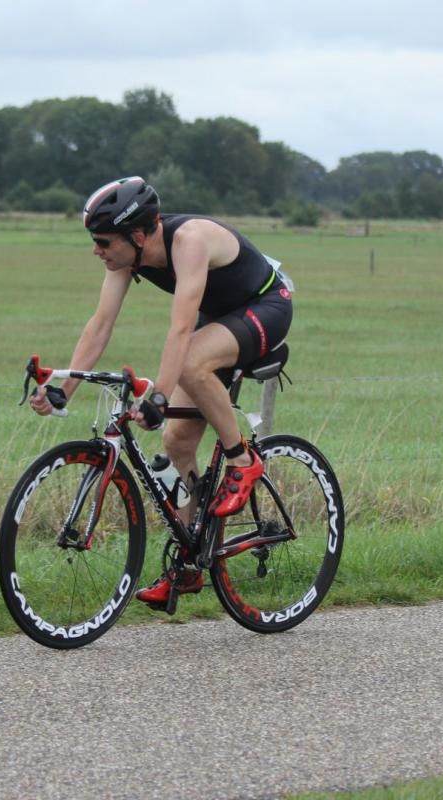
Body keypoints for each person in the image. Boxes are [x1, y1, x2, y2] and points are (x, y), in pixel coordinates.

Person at [28, 176, 293, 604]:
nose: (96, 250)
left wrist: (158, 397)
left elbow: (181, 327)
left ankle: (242, 461)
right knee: (176, 441)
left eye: (102, 241)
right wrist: (65, 391)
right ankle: (189, 564)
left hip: (265, 306)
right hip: (222, 319)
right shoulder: (125, 258)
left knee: (191, 360)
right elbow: (100, 326)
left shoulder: (188, 240)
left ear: (137, 235)